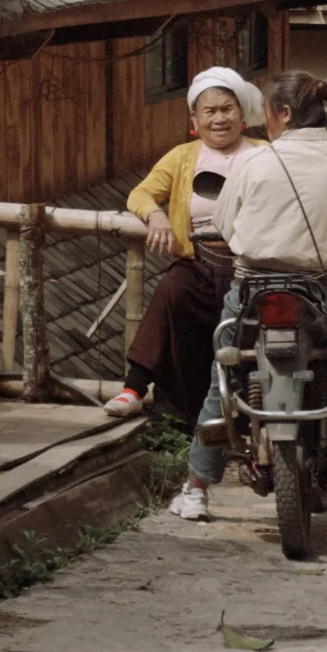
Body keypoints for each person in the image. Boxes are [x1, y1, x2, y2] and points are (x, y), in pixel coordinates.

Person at [168, 70, 327, 538]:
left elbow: (225, 222)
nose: (265, 122)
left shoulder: (255, 161)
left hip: (254, 290)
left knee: (224, 379)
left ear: (282, 113)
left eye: (267, 113)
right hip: (324, 289)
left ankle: (196, 491)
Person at [104, 66, 263, 424]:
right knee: (171, 290)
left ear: (241, 113)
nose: (219, 119)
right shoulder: (182, 157)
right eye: (210, 111)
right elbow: (140, 193)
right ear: (194, 118)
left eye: (227, 109)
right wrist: (156, 216)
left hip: (253, 265)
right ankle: (134, 388)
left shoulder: (263, 153)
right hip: (200, 263)